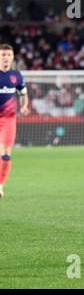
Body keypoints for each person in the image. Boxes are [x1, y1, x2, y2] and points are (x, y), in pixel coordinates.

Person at [0, 44, 29, 197]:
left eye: (8, 55)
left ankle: (0, 185)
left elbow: (23, 93)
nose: (6, 57)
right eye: (3, 54)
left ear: (12, 58)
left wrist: (24, 106)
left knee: (5, 153)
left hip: (8, 120)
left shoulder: (16, 76)